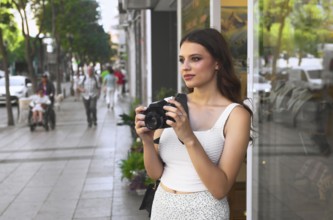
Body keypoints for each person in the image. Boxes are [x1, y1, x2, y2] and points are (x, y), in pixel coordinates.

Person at [134, 28, 252, 219]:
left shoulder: (235, 115)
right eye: (182, 60)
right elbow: (156, 173)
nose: (185, 67)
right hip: (162, 207)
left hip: (205, 211)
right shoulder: (170, 105)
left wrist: (189, 138)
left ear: (217, 63)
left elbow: (220, 189)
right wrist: (147, 141)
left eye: (195, 59)